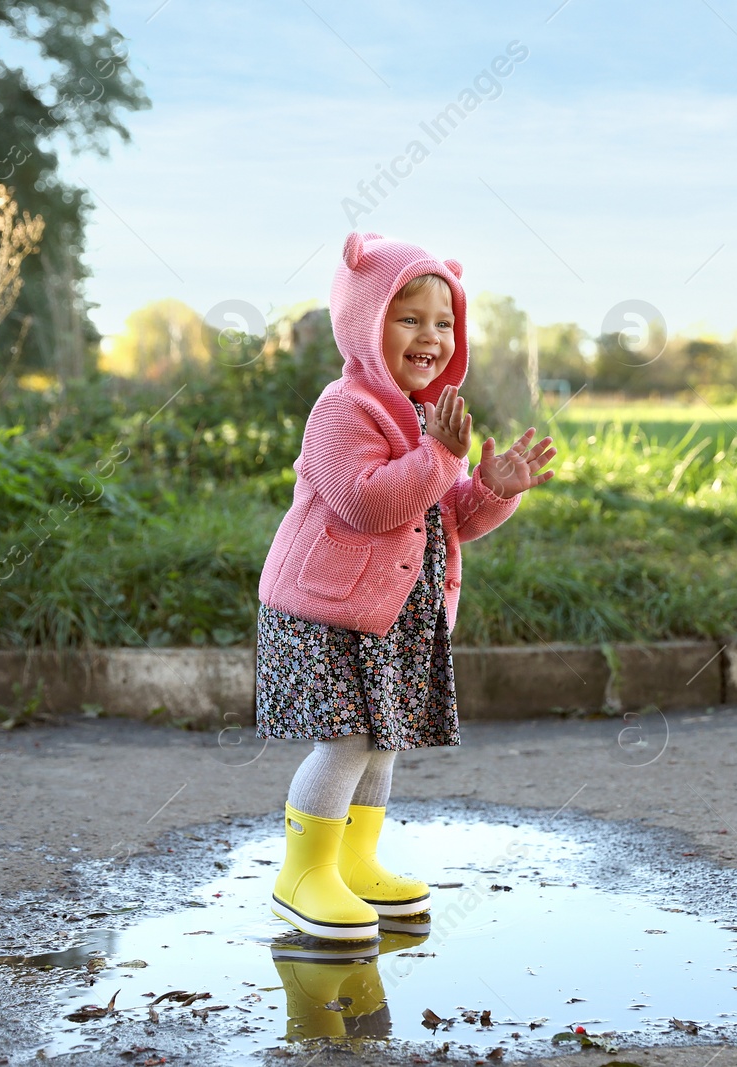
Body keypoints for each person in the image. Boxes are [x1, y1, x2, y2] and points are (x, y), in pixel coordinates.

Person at [254, 231, 557, 942]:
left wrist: (489, 485)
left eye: (444, 322)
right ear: (366, 320)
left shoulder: (427, 416)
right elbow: (369, 502)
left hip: (395, 615)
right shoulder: (343, 409)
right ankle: (303, 874)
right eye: (409, 316)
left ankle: (353, 863)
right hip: (324, 612)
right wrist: (441, 454)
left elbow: (442, 514)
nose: (430, 335)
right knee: (348, 739)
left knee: (381, 740)